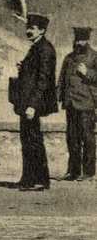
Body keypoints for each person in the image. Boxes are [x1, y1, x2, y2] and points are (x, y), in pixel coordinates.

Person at [10, 13, 58, 191]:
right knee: (28, 140)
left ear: (42, 30)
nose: (28, 31)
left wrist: (33, 105)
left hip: (32, 103)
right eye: (27, 27)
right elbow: (34, 74)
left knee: (33, 141)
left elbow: (44, 80)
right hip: (27, 102)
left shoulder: (45, 49)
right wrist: (23, 68)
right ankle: (29, 178)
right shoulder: (37, 47)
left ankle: (39, 180)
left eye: (32, 28)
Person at [57, 25, 97, 181]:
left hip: (87, 103)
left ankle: (88, 172)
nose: (79, 42)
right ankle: (73, 171)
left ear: (87, 40)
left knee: (87, 138)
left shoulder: (94, 57)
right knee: (72, 138)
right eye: (77, 39)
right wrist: (59, 97)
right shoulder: (69, 57)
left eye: (82, 39)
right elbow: (62, 79)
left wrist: (88, 73)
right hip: (70, 103)